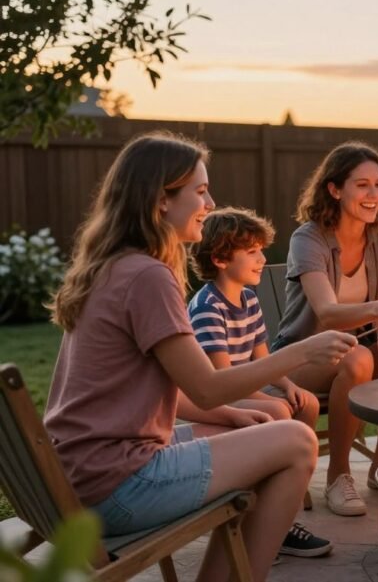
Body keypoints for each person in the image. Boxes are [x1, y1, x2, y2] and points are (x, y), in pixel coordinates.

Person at [44, 131, 355, 581]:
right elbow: (207, 387)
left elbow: (182, 392)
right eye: (201, 191)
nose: (210, 203)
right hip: (117, 486)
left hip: (80, 475)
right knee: (297, 442)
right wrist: (302, 351)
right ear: (161, 200)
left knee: (260, 424)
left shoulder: (114, 265)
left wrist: (231, 417)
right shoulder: (147, 277)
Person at [273, 141, 378, 517]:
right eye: (362, 185)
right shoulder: (308, 238)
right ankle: (338, 476)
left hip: (356, 352)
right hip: (301, 357)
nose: (374, 195)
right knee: (356, 358)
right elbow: (326, 313)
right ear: (335, 189)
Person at [184, 206, 331, 557]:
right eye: (252, 252)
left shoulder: (248, 299)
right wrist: (274, 398)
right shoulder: (208, 306)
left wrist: (292, 386)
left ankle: (282, 508)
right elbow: (223, 379)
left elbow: (263, 361)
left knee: (303, 402)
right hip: (215, 397)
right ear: (220, 259)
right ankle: (271, 523)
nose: (262, 259)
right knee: (278, 410)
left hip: (241, 386)